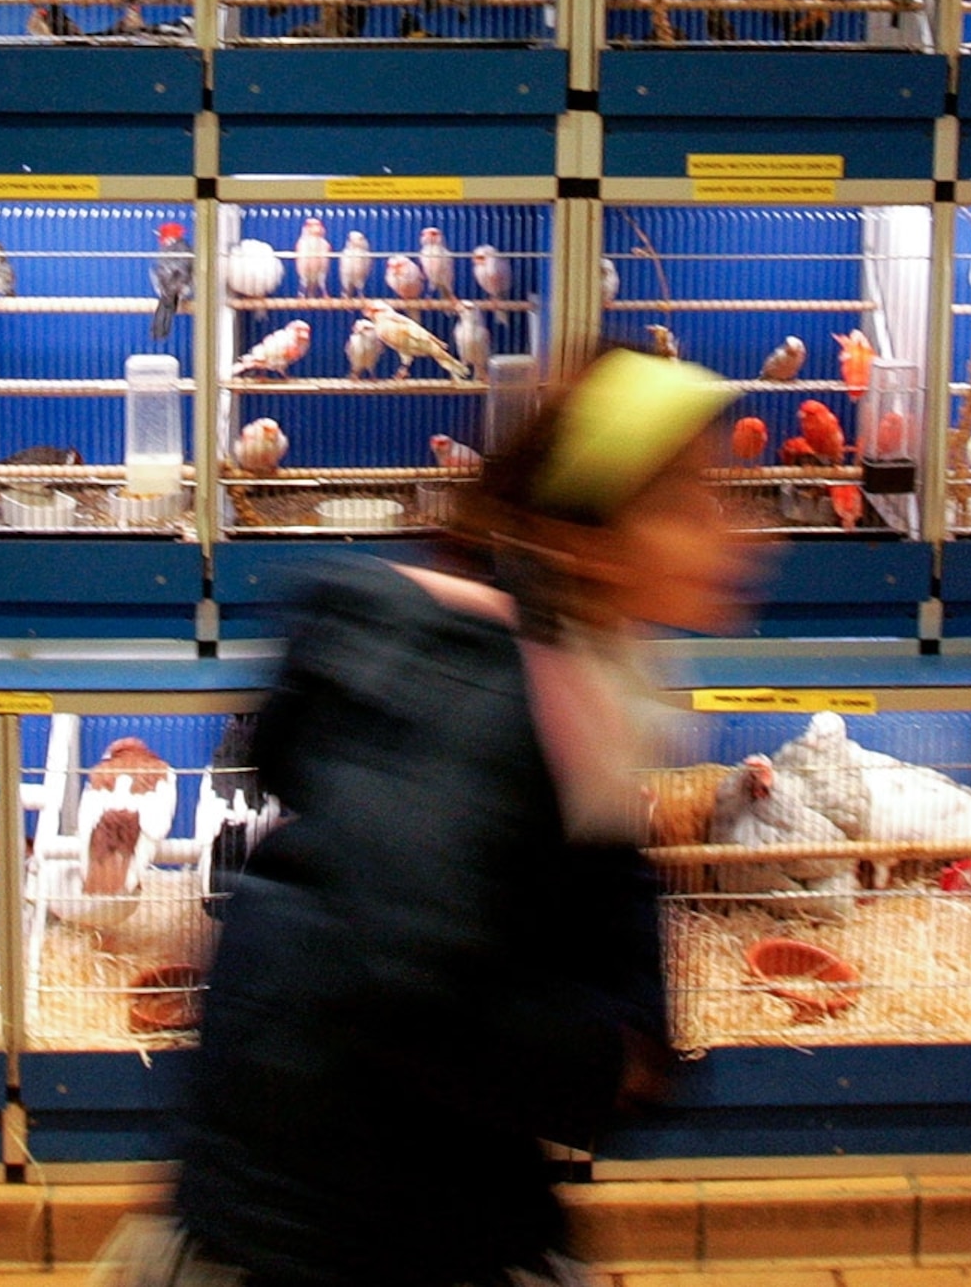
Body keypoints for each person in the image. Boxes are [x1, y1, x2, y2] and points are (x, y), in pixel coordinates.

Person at [149, 347, 755, 1287]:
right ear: (590, 535)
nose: (735, 533)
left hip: (375, 1197)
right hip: (329, 1232)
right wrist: (610, 1062)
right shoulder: (478, 690)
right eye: (686, 502)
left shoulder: (578, 683)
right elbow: (406, 975)